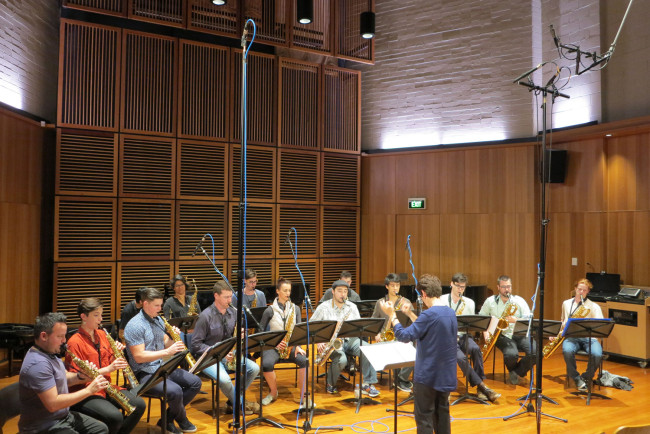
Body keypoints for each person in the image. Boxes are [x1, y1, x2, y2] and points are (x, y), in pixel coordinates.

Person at [381, 274, 456, 434]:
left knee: (424, 418)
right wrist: (409, 314)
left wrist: (392, 315)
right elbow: (425, 328)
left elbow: (404, 335)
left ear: (423, 294)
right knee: (442, 415)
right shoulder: (450, 313)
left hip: (428, 376)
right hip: (445, 375)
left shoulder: (429, 315)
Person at [124, 287, 201, 434]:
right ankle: (182, 419)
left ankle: (167, 418)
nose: (160, 309)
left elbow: (167, 343)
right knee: (176, 391)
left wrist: (175, 338)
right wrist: (167, 352)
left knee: (195, 382)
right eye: (157, 306)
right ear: (146, 304)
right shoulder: (135, 325)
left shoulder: (157, 319)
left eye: (161, 305)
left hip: (162, 366)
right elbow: (139, 356)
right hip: (143, 372)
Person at [18, 312, 109, 434]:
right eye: (60, 336)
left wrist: (81, 377)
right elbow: (53, 404)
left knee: (101, 429)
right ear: (44, 336)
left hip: (62, 417)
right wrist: (89, 390)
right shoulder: (38, 364)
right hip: (44, 426)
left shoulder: (50, 352)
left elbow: (63, 378)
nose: (64, 340)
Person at [66, 298, 146, 433]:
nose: (100, 319)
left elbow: (108, 360)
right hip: (86, 390)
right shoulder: (74, 342)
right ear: (83, 316)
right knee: (115, 417)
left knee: (139, 405)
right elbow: (79, 376)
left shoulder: (102, 335)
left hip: (106, 386)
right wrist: (109, 368)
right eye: (96, 315)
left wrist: (117, 353)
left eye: (101, 315)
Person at [190, 280, 261, 415]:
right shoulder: (205, 316)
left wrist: (239, 336)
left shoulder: (233, 313)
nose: (230, 300)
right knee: (224, 380)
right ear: (216, 296)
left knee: (254, 368)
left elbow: (231, 337)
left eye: (230, 297)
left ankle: (232, 401)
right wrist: (218, 350)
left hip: (228, 354)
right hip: (208, 357)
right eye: (226, 297)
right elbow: (196, 345)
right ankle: (240, 403)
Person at [310, 279, 380, 397]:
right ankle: (330, 384)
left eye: (345, 291)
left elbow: (358, 327)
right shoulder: (323, 307)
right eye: (339, 291)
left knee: (368, 350)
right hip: (331, 343)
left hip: (350, 340)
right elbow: (312, 326)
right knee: (342, 360)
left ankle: (368, 384)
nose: (343, 294)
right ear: (332, 292)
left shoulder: (352, 306)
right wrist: (319, 341)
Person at [439, 273, 500, 402]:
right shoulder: (442, 300)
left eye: (463, 287)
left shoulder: (469, 303)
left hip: (463, 336)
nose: (460, 289)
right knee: (460, 357)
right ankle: (482, 386)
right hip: (447, 339)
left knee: (476, 350)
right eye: (458, 286)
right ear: (451, 284)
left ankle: (479, 389)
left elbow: (471, 324)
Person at [258, 277, 307, 406]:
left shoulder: (295, 309)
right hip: (274, 346)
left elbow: (299, 329)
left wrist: (297, 345)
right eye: (285, 290)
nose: (288, 294)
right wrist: (273, 342)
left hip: (291, 346)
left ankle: (303, 397)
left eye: (289, 291)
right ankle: (273, 393)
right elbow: (260, 331)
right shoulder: (269, 310)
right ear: (277, 291)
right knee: (266, 364)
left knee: (304, 360)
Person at [479, 275, 535, 385]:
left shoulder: (519, 301)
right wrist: (486, 334)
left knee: (535, 352)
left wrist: (516, 320)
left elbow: (529, 318)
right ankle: (514, 370)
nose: (507, 289)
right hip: (501, 334)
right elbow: (482, 319)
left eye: (509, 286)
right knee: (511, 354)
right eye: (504, 287)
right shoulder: (490, 301)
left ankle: (517, 371)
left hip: (519, 333)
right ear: (498, 287)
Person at [371, 273, 414, 393]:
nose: (395, 288)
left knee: (415, 348)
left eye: (397, 285)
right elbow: (374, 322)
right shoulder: (380, 302)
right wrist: (377, 333)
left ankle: (401, 378)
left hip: (401, 336)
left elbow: (412, 323)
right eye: (392, 285)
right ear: (387, 286)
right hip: (385, 337)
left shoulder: (406, 302)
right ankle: (396, 380)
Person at [559, 278, 604, 392]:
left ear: (588, 291)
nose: (581, 292)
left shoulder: (594, 306)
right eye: (579, 289)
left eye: (584, 290)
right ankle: (576, 377)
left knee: (597, 354)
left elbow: (600, 325)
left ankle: (586, 377)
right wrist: (558, 333)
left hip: (589, 338)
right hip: (572, 337)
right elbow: (563, 321)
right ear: (575, 289)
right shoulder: (566, 303)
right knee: (567, 351)